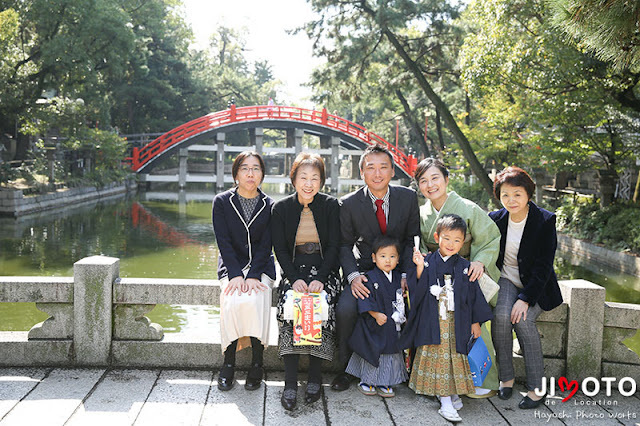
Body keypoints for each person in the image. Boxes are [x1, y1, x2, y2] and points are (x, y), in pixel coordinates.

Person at [333, 144, 420, 391]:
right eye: (371, 168)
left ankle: (415, 369)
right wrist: (353, 277)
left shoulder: (408, 197)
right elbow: (343, 245)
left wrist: (405, 274)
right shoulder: (348, 203)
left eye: (383, 167)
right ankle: (345, 369)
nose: (377, 173)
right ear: (362, 173)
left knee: (419, 304)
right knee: (346, 309)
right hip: (365, 272)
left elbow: (412, 239)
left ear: (393, 171)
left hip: (398, 270)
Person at [413, 157, 502, 397]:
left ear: (446, 179)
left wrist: (480, 262)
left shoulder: (468, 208)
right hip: (436, 278)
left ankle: (483, 380)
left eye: (435, 178)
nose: (430, 185)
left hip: (465, 275)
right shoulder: (421, 214)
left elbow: (490, 239)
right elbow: (419, 245)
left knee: (475, 325)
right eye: (423, 181)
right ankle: (439, 379)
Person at [401, 214, 493, 423]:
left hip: (457, 322)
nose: (451, 244)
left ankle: (451, 392)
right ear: (437, 237)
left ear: (463, 242)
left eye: (457, 240)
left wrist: (475, 322)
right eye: (447, 238)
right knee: (441, 357)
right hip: (432, 320)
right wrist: (418, 267)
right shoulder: (427, 261)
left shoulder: (464, 266)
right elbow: (415, 290)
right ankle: (446, 402)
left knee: (454, 356)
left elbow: (472, 296)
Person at [271, 152, 341, 410]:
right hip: (294, 270)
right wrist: (294, 278)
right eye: (303, 177)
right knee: (290, 309)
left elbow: (334, 245)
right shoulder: (281, 209)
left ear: (321, 181)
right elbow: (279, 249)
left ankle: (314, 377)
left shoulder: (331, 205)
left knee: (322, 306)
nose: (309, 183)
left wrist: (321, 278)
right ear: (294, 179)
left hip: (325, 271)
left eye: (315, 177)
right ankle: (290, 383)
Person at [488, 166, 563, 409]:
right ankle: (506, 378)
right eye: (505, 194)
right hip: (508, 279)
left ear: (528, 194)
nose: (511, 200)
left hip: (537, 286)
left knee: (522, 320)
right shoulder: (495, 219)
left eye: (517, 194)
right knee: (500, 316)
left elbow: (543, 266)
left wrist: (526, 298)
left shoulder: (544, 220)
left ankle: (536, 388)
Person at [211, 151, 275, 392]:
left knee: (257, 298)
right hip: (232, 265)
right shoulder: (222, 201)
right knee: (233, 299)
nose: (250, 173)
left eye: (256, 168)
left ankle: (257, 364)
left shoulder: (269, 205)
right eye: (245, 168)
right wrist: (236, 274)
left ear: (262, 174)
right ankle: (228, 362)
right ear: (236, 173)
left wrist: (254, 275)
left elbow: (267, 244)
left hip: (261, 267)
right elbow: (223, 242)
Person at [345, 236, 409, 398]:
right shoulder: (369, 277)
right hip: (375, 323)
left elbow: (401, 298)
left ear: (398, 259)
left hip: (392, 324)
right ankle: (366, 381)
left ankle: (386, 382)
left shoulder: (398, 278)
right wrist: (374, 313)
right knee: (373, 351)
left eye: (392, 256)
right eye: (383, 256)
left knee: (391, 353)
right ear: (374, 258)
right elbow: (365, 299)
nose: (388, 260)